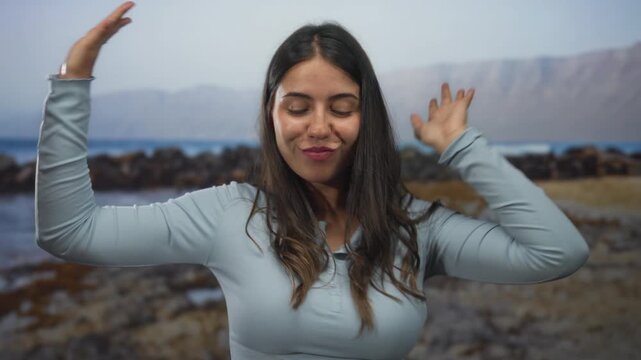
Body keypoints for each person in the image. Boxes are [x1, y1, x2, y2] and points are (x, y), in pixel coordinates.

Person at [35, 2, 590, 359]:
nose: (318, 128)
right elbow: (69, 232)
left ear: (366, 117)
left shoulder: (417, 230)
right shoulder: (230, 215)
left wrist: (463, 148)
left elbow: (558, 253)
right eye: (298, 107)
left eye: (341, 107)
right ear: (272, 113)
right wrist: (73, 81)